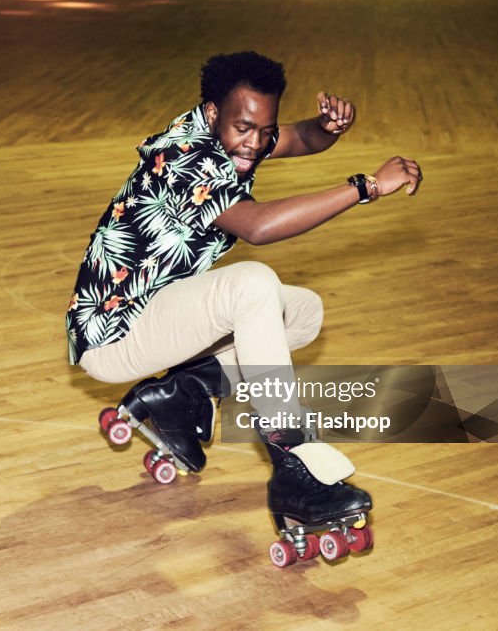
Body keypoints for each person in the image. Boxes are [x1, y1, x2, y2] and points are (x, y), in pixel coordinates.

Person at [66, 51, 422, 541]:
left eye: (262, 129)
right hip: (117, 335)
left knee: (300, 312)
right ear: (212, 113)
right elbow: (256, 227)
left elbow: (299, 138)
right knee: (253, 284)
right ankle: (293, 465)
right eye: (243, 128)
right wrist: (366, 187)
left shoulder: (234, 133)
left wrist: (328, 127)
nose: (254, 144)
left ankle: (182, 394)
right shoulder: (184, 157)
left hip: (160, 313)